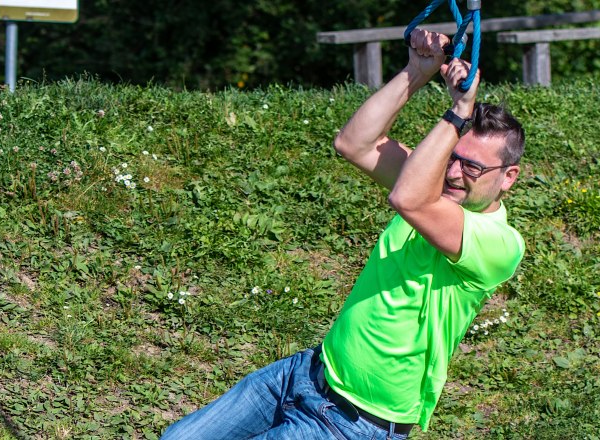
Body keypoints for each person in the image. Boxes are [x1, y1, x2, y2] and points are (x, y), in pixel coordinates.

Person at [161, 28, 525, 440]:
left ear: (508, 177)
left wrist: (458, 114)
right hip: (307, 374)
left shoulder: (499, 245)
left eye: (472, 167)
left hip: (354, 424)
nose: (455, 173)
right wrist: (416, 71)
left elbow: (408, 198)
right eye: (452, 158)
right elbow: (355, 143)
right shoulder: (433, 185)